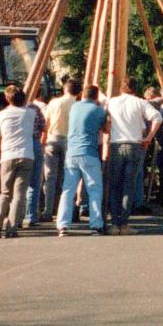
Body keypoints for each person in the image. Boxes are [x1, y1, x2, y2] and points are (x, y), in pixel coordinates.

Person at [106, 77, 162, 235]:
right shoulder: (140, 102)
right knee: (129, 185)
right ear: (135, 88)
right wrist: (149, 138)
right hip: (135, 145)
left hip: (116, 145)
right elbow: (157, 117)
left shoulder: (111, 102)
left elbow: (106, 121)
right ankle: (124, 224)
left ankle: (114, 223)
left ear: (121, 88)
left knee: (115, 185)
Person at [56, 85, 108, 236]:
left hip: (71, 154)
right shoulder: (99, 111)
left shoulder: (74, 107)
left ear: (83, 95)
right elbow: (106, 129)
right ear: (96, 97)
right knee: (95, 189)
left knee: (68, 190)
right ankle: (96, 224)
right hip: (89, 153)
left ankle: (63, 225)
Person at [0, 86, 35, 238]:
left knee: (4, 193)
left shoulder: (1, 115)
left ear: (7, 99)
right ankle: (11, 227)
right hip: (26, 155)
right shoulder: (31, 113)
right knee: (19, 195)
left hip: (7, 156)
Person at [42, 79, 80, 222]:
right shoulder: (77, 105)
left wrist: (44, 139)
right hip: (70, 141)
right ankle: (67, 210)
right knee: (68, 177)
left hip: (52, 139)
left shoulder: (53, 102)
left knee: (50, 177)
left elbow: (46, 123)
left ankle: (47, 210)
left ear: (65, 88)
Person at [23, 92, 47, 228]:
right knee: (34, 182)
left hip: (17, 145)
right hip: (34, 143)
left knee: (19, 184)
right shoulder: (35, 109)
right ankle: (31, 216)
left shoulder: (7, 111)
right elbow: (44, 126)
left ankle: (17, 216)